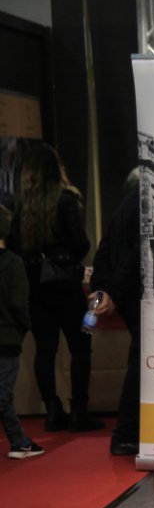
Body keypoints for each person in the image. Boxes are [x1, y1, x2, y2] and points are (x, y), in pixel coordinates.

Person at [8, 142, 101, 432]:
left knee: (45, 350)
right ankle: (79, 412)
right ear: (55, 167)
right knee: (81, 347)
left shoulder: (19, 205)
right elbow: (80, 244)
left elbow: (14, 246)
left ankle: (52, 411)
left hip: (35, 285)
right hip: (65, 283)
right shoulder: (66, 199)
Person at [89, 168, 142, 455]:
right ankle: (127, 433)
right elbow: (136, 256)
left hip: (126, 297)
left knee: (139, 361)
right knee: (140, 364)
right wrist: (116, 293)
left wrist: (101, 289)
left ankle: (128, 432)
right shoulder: (143, 207)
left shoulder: (121, 209)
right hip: (137, 294)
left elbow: (104, 251)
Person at [0, 202, 44, 458]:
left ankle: (19, 441)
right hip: (7, 338)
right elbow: (19, 303)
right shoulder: (13, 263)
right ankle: (19, 442)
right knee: (3, 393)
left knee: (4, 395)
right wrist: (25, 325)